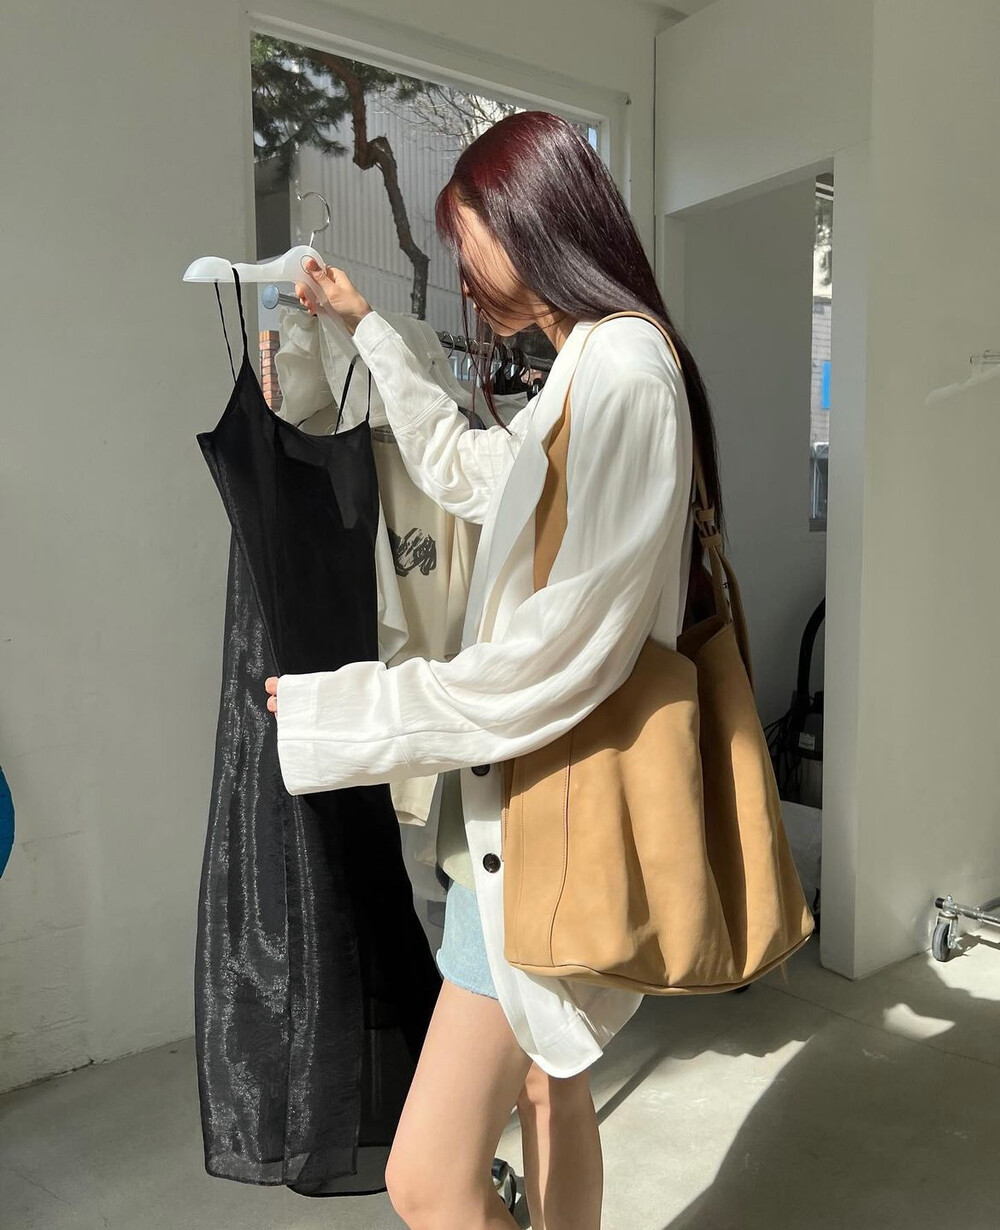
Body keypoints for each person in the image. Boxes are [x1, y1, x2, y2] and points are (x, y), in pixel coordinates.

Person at [264, 110, 725, 1230]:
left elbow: (558, 657)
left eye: (466, 240)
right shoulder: (595, 364)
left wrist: (343, 709)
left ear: (532, 221)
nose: (464, 275)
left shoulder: (621, 373)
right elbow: (470, 469)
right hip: (541, 803)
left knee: (427, 1179)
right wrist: (368, 327)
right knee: (551, 1089)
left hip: (543, 811)